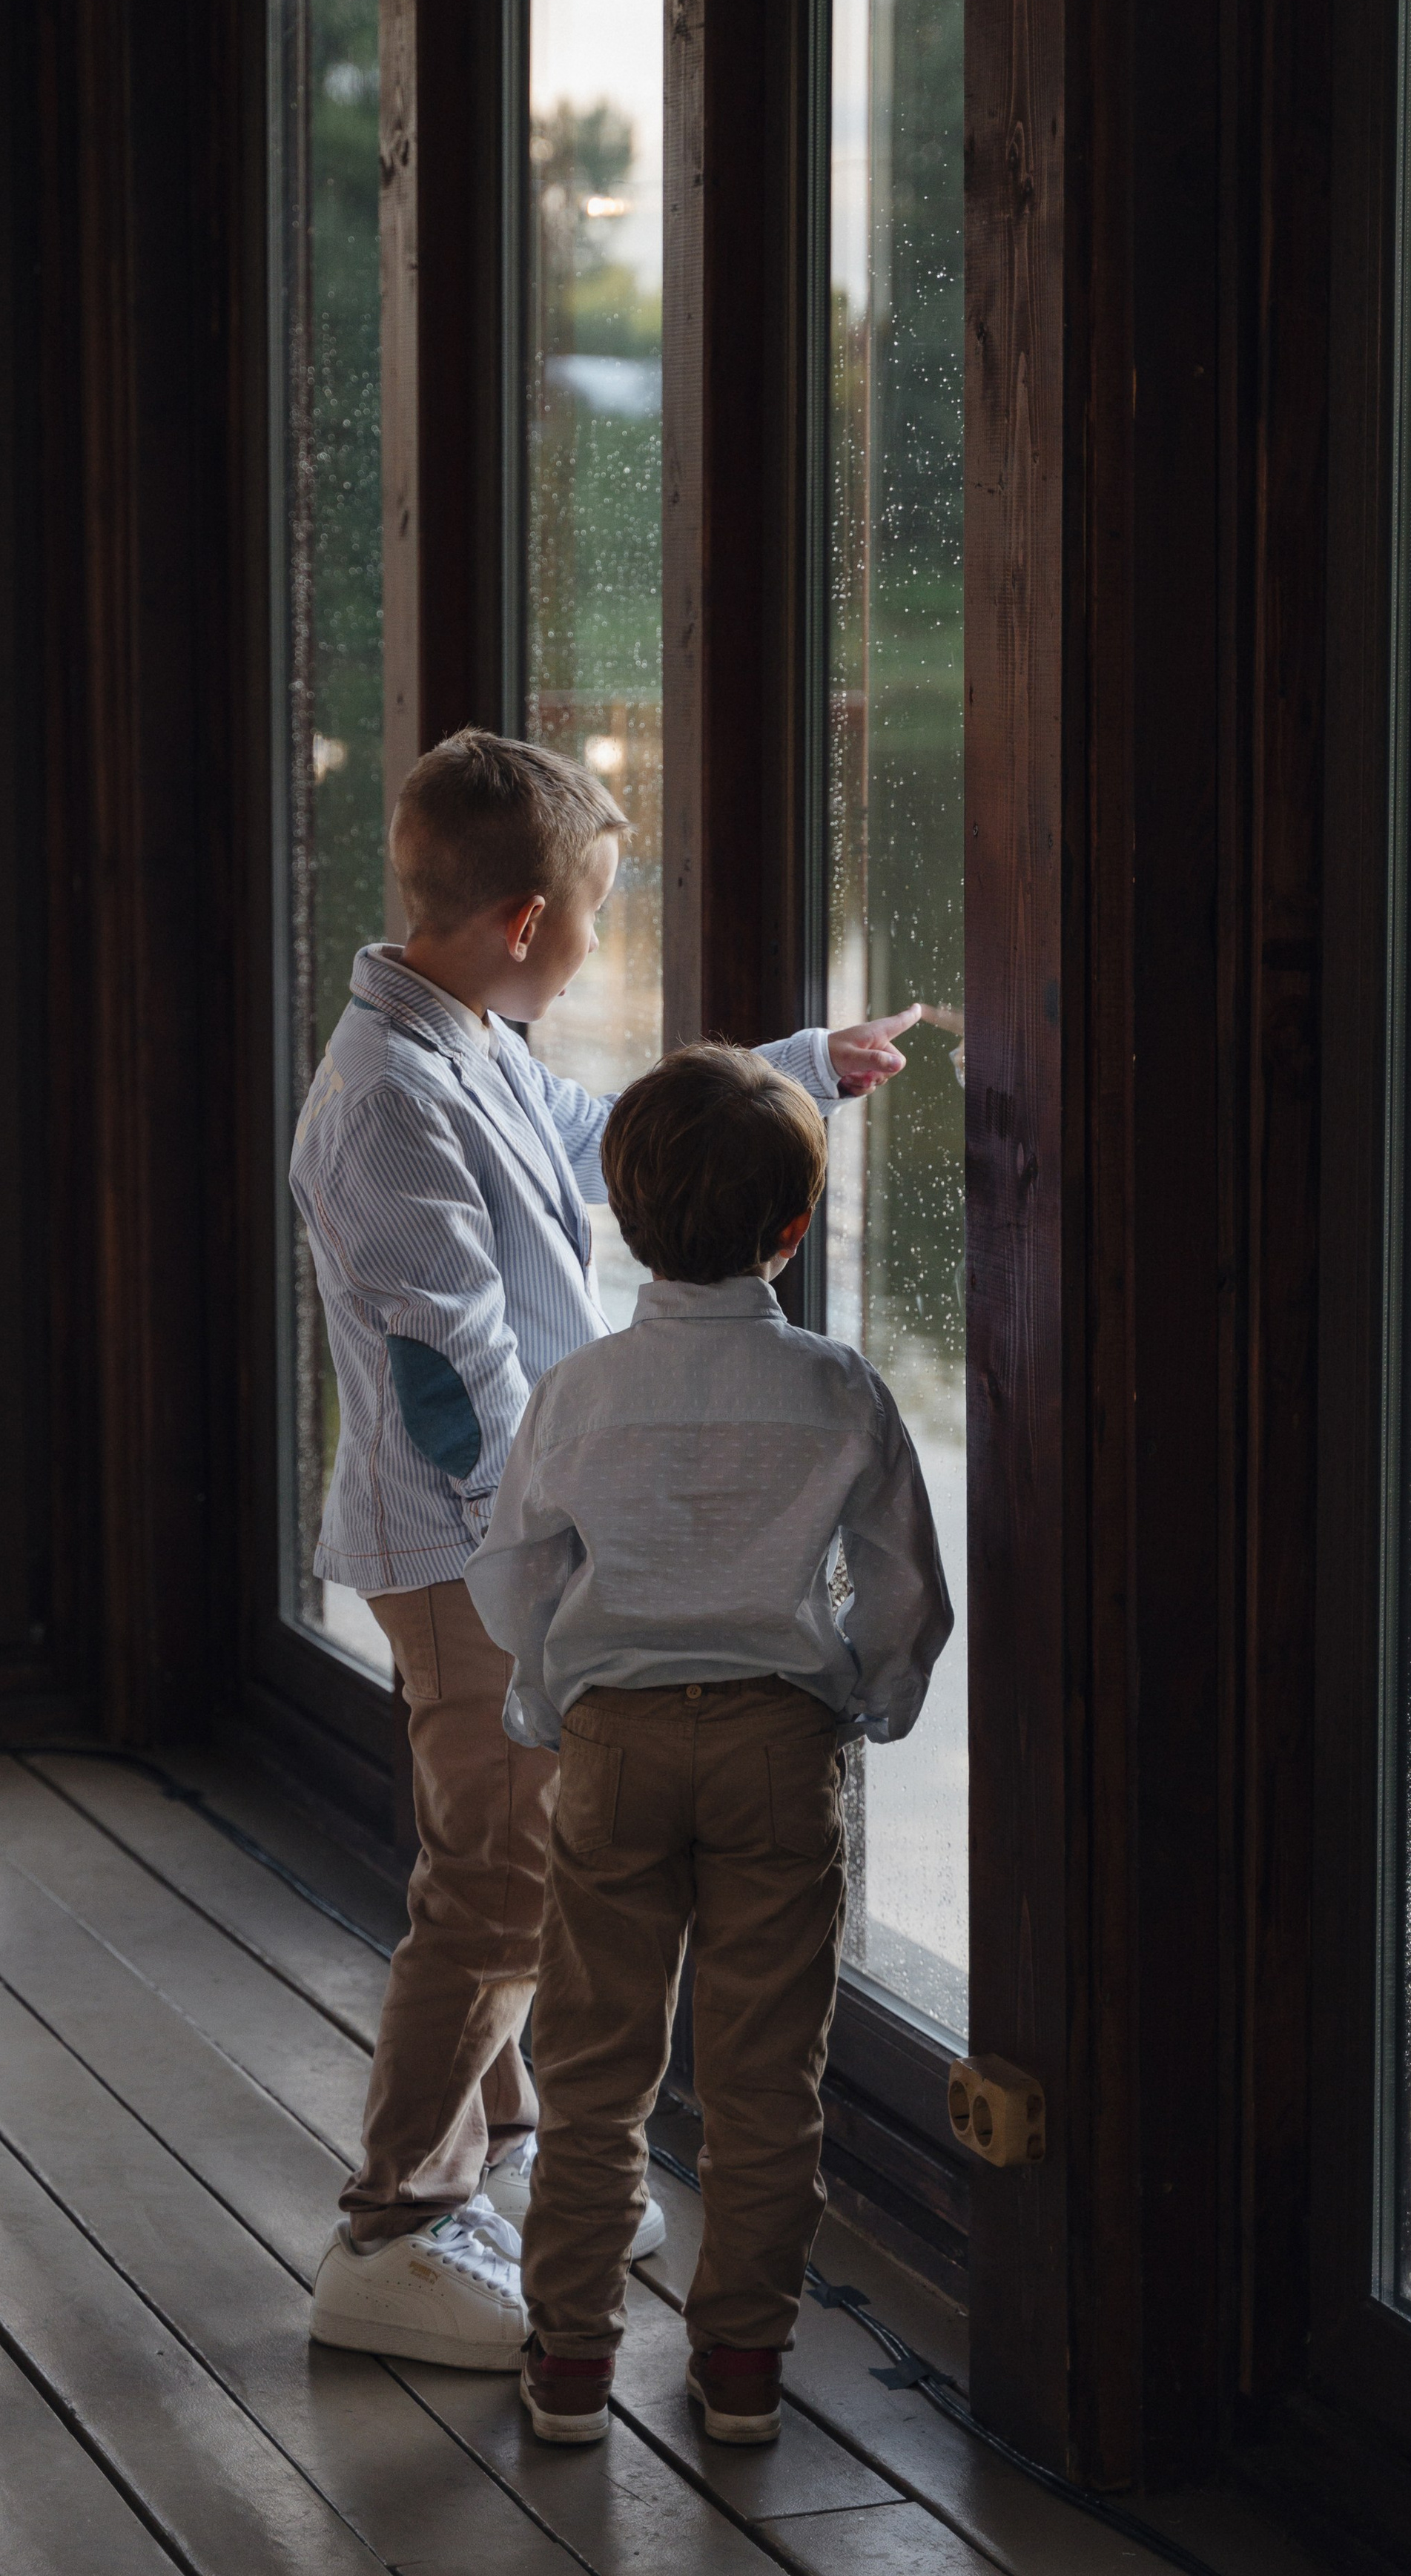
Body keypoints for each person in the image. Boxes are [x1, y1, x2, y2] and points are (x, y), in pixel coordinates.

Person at [294, 730, 918, 2368]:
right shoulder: (385, 1106)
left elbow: (592, 1141)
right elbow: (453, 1388)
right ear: (519, 922)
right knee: (495, 1886)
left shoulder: (468, 1036)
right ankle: (392, 2227)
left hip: (495, 1539)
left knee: (504, 1857)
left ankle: (495, 2165)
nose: (592, 943)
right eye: (591, 913)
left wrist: (799, 1065)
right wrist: (578, 1534)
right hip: (464, 1549)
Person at [466, 1043, 953, 2446]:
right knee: (763, 2077)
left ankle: (566, 2363)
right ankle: (741, 2369)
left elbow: (515, 1574)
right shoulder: (839, 1388)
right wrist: (865, 1697)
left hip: (615, 1745)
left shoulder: (577, 1392)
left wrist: (550, 1699)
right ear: (792, 1230)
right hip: (776, 1746)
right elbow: (907, 1588)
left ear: (622, 1217)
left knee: (596, 2067)